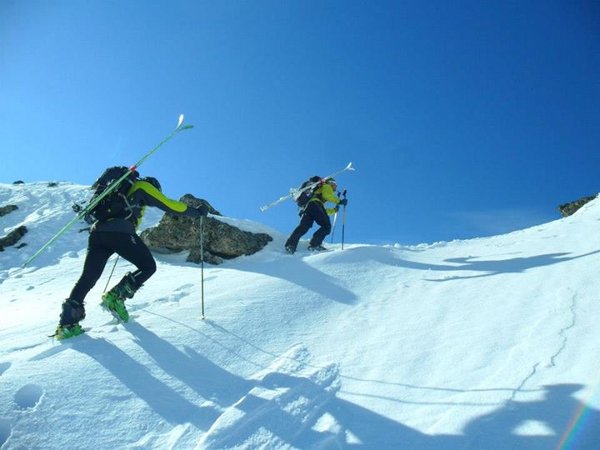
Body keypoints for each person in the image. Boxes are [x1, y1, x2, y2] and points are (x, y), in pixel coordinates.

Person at [54, 174, 208, 339]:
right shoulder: (143, 187)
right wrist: (196, 212)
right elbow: (169, 204)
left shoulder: (120, 194)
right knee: (148, 266)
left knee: (89, 277)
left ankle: (67, 325)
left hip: (97, 232)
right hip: (119, 232)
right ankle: (115, 298)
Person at [285, 177, 347, 254]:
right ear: (331, 183)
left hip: (308, 207)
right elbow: (327, 196)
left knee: (303, 227)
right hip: (315, 205)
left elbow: (323, 210)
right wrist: (339, 201)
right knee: (326, 226)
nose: (335, 187)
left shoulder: (318, 191)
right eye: (334, 184)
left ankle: (290, 245)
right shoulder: (327, 186)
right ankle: (315, 244)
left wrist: (334, 210)